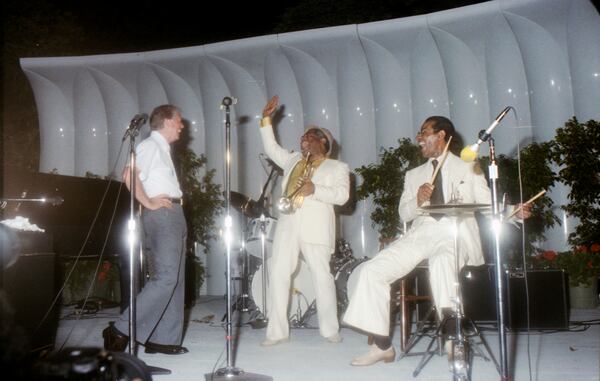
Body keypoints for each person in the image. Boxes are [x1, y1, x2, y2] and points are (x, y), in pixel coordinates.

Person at [343, 116, 531, 366]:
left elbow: (486, 204)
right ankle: (382, 346)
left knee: (443, 262)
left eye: (424, 132)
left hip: (455, 233)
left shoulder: (469, 165)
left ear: (441, 136)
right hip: (421, 233)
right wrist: (418, 200)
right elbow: (404, 214)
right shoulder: (413, 175)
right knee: (371, 270)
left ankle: (453, 338)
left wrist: (512, 211)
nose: (418, 138)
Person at [258, 95, 350, 346]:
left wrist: (315, 190)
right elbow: (271, 148)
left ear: (324, 142)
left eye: (310, 136)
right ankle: (277, 331)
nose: (304, 139)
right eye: (303, 136)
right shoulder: (292, 160)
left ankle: (330, 329)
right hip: (288, 223)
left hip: (316, 228)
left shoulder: (338, 167)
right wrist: (266, 119)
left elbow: (342, 197)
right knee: (278, 273)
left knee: (322, 275)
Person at [102, 105, 188, 355]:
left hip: (173, 213)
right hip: (162, 216)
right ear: (169, 121)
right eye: (179, 121)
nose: (182, 126)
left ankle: (162, 339)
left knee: (176, 279)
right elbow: (129, 175)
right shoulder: (150, 146)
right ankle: (119, 329)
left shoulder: (163, 149)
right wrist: (149, 203)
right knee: (166, 277)